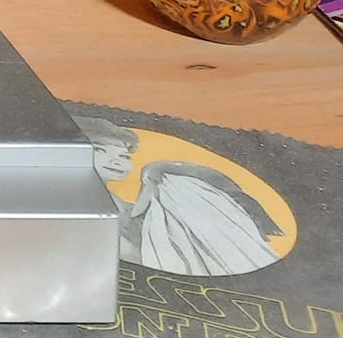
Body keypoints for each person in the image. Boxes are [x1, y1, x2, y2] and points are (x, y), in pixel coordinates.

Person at [75, 116, 284, 277]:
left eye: (123, 156)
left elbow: (215, 179)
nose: (117, 161)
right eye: (99, 150)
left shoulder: (153, 199)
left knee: (178, 184)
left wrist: (159, 168)